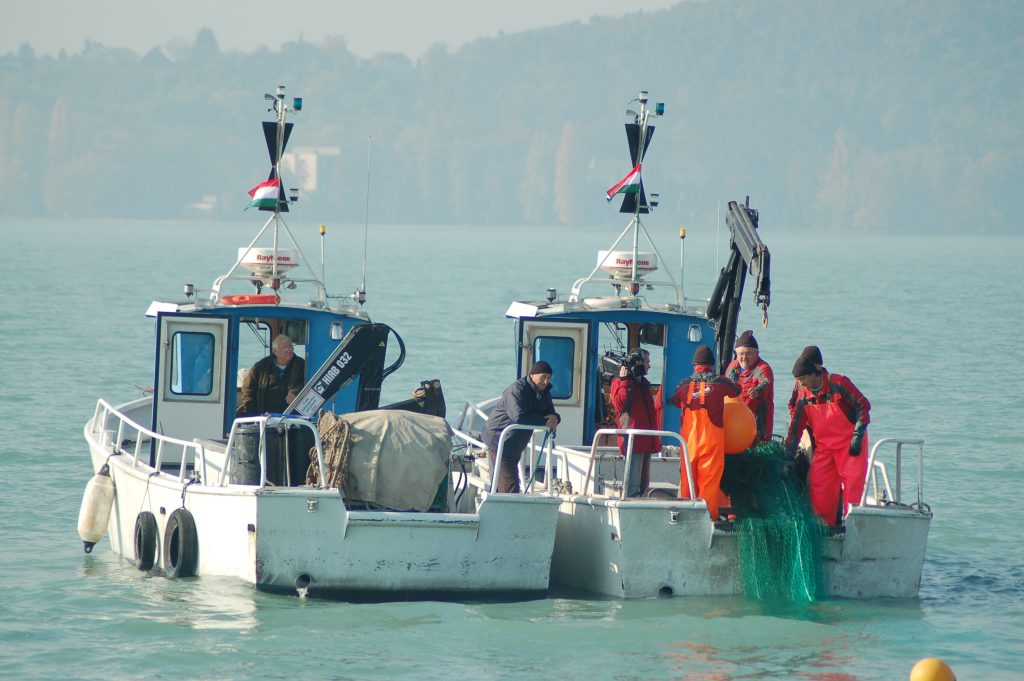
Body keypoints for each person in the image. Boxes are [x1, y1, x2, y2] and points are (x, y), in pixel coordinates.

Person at [786, 354, 871, 525]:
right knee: (819, 486)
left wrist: (858, 434)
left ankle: (850, 526)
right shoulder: (804, 397)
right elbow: (795, 429)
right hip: (825, 447)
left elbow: (863, 405)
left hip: (850, 446)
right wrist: (787, 458)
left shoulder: (839, 383)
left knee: (852, 487)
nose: (800, 383)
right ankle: (824, 528)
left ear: (814, 374)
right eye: (798, 379)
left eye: (803, 378)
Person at [670, 345, 740, 520]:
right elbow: (736, 391)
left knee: (687, 483)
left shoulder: (683, 384)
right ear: (712, 364)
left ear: (695, 365)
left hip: (689, 445)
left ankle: (684, 519)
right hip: (711, 443)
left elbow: (673, 400)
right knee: (709, 484)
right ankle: (707, 520)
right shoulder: (721, 382)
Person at [482, 361, 561, 493]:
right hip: (499, 439)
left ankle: (497, 507)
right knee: (510, 484)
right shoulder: (516, 390)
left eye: (549, 378)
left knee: (502, 480)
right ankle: (510, 510)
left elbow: (550, 413)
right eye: (543, 377)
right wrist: (545, 421)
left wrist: (556, 419)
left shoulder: (544, 391)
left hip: (515, 443)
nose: (546, 381)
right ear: (532, 375)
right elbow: (519, 417)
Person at [610, 348, 660, 497]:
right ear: (638, 363)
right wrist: (625, 381)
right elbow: (620, 404)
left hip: (644, 439)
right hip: (633, 440)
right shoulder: (619, 382)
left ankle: (641, 501)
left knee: (644, 484)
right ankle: (630, 502)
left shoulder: (643, 385)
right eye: (647, 362)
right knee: (632, 485)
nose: (649, 366)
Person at [236, 334, 306, 417]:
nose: (290, 350)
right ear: (275, 351)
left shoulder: (302, 365)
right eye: (285, 347)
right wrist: (252, 414)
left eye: (291, 347)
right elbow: (248, 390)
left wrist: (296, 392)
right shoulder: (260, 367)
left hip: (293, 418)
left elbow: (308, 382)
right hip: (265, 418)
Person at [724, 330, 774, 443]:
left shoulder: (763, 368)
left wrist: (757, 391)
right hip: (734, 426)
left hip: (757, 427)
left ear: (757, 354)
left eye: (749, 354)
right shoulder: (732, 367)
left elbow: (766, 383)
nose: (744, 357)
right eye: (741, 354)